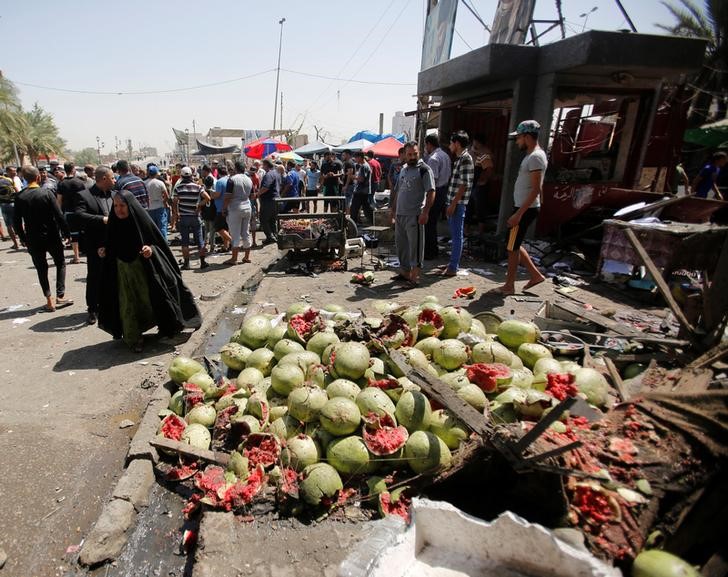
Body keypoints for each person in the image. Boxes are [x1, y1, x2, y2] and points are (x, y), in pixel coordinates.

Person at [97, 191, 201, 352]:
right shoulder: (113, 224)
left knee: (152, 300)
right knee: (127, 305)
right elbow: (109, 244)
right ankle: (134, 337)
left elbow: (158, 244)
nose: (118, 209)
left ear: (130, 206)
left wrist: (150, 249)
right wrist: (104, 251)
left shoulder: (141, 222)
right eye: (115, 206)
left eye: (122, 205)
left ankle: (165, 327)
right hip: (123, 274)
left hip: (145, 272)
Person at [494, 120, 547, 295]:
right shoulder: (532, 156)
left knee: (511, 247)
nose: (517, 142)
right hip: (525, 207)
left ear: (527, 136)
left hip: (525, 209)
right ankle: (535, 275)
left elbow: (536, 189)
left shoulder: (535, 157)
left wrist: (518, 213)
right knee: (514, 244)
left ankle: (509, 285)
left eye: (518, 138)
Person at [14, 165, 73, 312]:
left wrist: (23, 239)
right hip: (52, 236)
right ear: (38, 177)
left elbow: (17, 223)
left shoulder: (20, 196)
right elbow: (59, 215)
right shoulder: (46, 194)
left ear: (25, 179)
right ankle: (60, 295)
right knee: (60, 263)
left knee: (41, 268)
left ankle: (49, 300)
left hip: (33, 239)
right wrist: (67, 234)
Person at [71, 165, 114, 325]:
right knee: (95, 276)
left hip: (113, 243)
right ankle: (93, 308)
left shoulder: (114, 195)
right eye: (112, 177)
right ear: (104, 179)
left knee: (112, 274)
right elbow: (79, 215)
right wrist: (101, 219)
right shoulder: (85, 195)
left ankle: (109, 304)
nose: (114, 180)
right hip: (95, 244)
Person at [390, 141, 435, 287]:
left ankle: (414, 278)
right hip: (400, 215)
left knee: (415, 248)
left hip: (415, 215)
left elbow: (431, 192)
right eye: (409, 154)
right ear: (404, 154)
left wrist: (425, 212)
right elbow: (398, 191)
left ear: (419, 152)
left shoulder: (424, 170)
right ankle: (405, 272)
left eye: (414, 154)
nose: (412, 157)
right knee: (401, 246)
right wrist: (393, 211)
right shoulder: (403, 169)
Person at [442, 130, 474, 276]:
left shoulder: (466, 159)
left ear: (457, 143)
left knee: (457, 236)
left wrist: (454, 204)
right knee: (455, 235)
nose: (449, 146)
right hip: (454, 202)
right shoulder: (460, 158)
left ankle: (453, 267)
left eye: (451, 143)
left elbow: (464, 184)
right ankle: (451, 264)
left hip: (458, 203)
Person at [173, 166, 210, 270]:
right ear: (191, 175)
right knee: (200, 241)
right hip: (195, 217)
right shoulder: (197, 187)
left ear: (181, 176)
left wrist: (177, 213)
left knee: (184, 242)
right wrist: (199, 205)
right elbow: (207, 198)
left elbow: (175, 202)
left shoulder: (178, 188)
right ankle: (203, 263)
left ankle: (186, 264)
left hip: (184, 217)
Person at [423, 134, 451, 259]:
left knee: (428, 222)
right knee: (432, 222)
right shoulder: (445, 155)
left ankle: (430, 251)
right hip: (444, 190)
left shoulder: (433, 158)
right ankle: (432, 250)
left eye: (425, 145)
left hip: (436, 191)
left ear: (429, 144)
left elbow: (432, 180)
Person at [223, 160, 253, 266]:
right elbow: (252, 195)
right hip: (247, 207)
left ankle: (234, 258)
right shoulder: (249, 179)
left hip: (235, 208)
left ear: (235, 168)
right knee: (245, 232)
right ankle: (247, 257)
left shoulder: (232, 180)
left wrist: (224, 208)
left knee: (235, 234)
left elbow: (227, 197)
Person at [57, 162, 86, 264]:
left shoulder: (61, 183)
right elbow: (86, 197)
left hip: (69, 212)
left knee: (74, 235)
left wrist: (59, 213)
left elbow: (59, 200)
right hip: (81, 211)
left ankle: (76, 257)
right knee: (84, 232)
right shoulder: (80, 182)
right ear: (73, 169)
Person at [469, 134, 495, 235]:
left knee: (480, 208)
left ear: (480, 143)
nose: (474, 143)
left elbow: (489, 171)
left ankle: (480, 231)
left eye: (476, 142)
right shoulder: (471, 152)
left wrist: (481, 180)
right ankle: (467, 230)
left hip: (480, 186)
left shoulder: (484, 154)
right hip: (471, 184)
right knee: (469, 207)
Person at [254, 159, 279, 244]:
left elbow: (266, 187)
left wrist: (257, 194)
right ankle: (274, 235)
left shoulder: (269, 175)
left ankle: (270, 236)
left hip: (268, 200)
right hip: (274, 200)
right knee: (272, 220)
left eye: (263, 165)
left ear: (266, 165)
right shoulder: (275, 173)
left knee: (263, 219)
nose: (262, 166)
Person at [144, 165, 169, 241]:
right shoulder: (160, 183)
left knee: (152, 228)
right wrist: (164, 202)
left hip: (149, 208)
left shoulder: (144, 183)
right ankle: (164, 244)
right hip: (160, 207)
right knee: (162, 227)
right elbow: (166, 195)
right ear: (156, 173)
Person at [211, 164, 232, 252]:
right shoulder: (230, 180)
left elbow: (218, 194)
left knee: (218, 227)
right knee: (225, 228)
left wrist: (212, 193)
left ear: (218, 173)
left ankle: (232, 242)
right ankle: (225, 246)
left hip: (221, 208)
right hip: (229, 207)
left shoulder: (220, 182)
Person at [350, 151, 373, 225]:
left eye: (356, 158)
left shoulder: (364, 166)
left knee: (354, 208)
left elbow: (361, 179)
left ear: (360, 157)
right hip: (363, 191)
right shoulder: (364, 165)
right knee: (366, 208)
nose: (355, 160)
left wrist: (352, 176)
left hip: (361, 191)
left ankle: (352, 223)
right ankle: (373, 221)